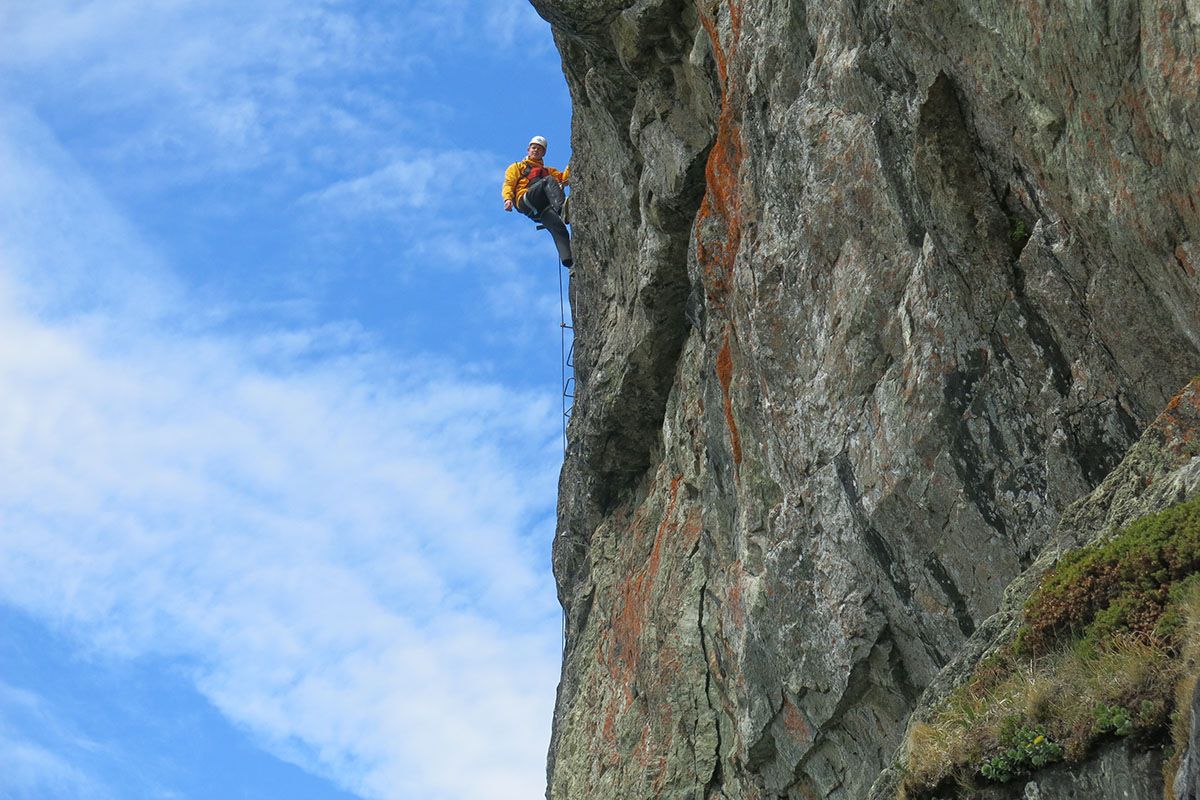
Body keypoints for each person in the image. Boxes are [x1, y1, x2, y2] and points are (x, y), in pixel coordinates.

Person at [502, 135, 573, 267]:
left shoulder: (548, 171)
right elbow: (508, 183)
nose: (536, 150)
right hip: (525, 199)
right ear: (528, 149)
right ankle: (562, 209)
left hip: (540, 210)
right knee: (549, 180)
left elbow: (564, 178)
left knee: (559, 228)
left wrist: (573, 161)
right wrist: (507, 199)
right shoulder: (518, 167)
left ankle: (569, 261)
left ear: (544, 153)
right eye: (534, 148)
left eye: (539, 149)